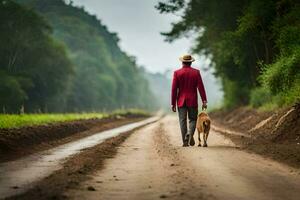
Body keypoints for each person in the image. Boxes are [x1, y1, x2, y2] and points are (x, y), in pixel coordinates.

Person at [171, 54, 207, 147]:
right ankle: (190, 134)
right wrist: (204, 101)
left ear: (182, 62)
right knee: (193, 119)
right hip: (192, 100)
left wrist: (173, 103)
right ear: (191, 62)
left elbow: (174, 89)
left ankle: (185, 141)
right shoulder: (196, 72)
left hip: (181, 101)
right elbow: (201, 88)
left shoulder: (177, 73)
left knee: (182, 121)